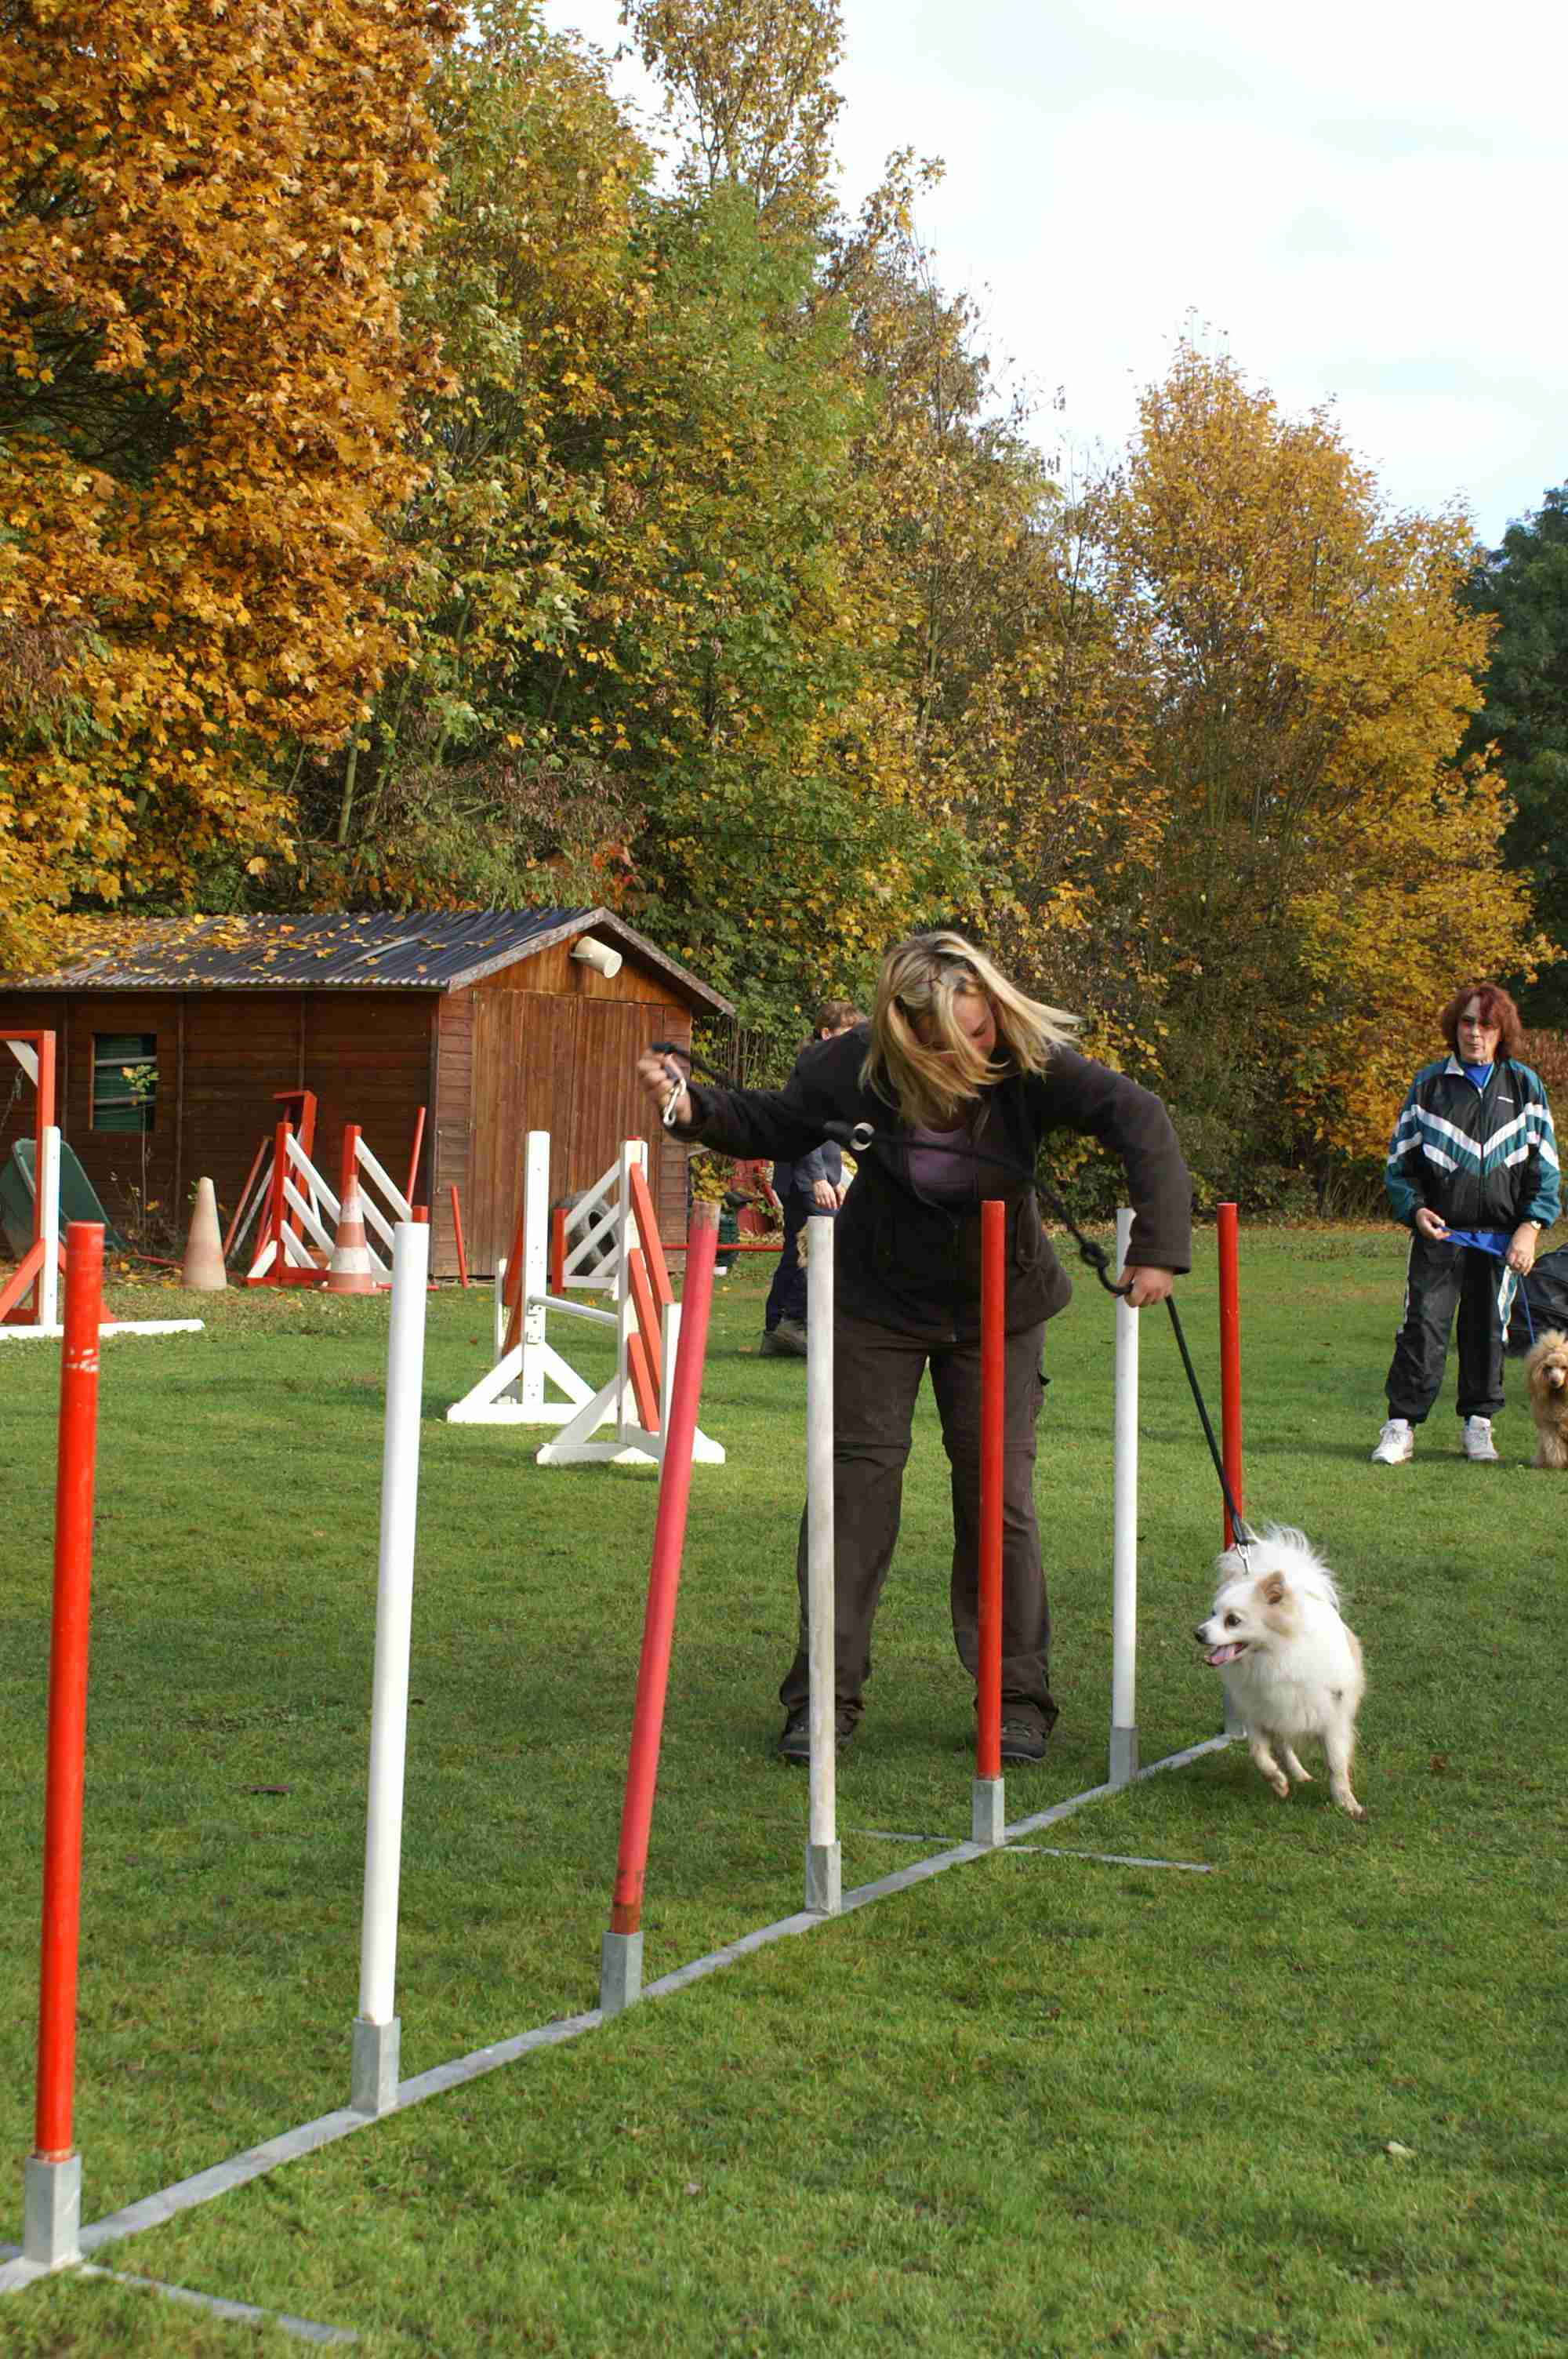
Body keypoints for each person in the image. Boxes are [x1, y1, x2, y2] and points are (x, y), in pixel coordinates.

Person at [637, 930, 1191, 1765]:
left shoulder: (1026, 1059)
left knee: (997, 1496)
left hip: (1000, 1301)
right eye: (956, 1036)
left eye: (983, 1025)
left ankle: (1016, 1699)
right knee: (850, 1495)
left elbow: (1136, 1116)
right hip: (878, 1301)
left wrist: (1158, 1245)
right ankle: (822, 1697)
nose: (979, 1045)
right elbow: (779, 1122)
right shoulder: (851, 1066)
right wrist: (691, 1107)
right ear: (906, 1032)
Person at [1373, 981, 1559, 1466]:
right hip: (1440, 1234)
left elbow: (1545, 1168)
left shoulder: (1524, 1086)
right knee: (1422, 1327)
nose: (1475, 1033)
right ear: (1454, 1027)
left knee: (1488, 1331)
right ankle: (1401, 1426)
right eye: (1468, 1022)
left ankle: (1479, 1425)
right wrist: (1415, 1209)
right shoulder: (1429, 1085)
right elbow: (1399, 1165)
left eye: (1487, 1025)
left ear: (1502, 1032)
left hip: (1500, 1240)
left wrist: (1530, 1228)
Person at [760, 999, 866, 1358]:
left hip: (813, 1176)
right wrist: (818, 1178)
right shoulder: (812, 1070)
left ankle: (776, 1329)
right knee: (819, 1248)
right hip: (803, 1177)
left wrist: (835, 1176)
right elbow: (802, 1128)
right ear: (827, 1033)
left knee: (796, 1249)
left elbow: (828, 1132)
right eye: (847, 1034)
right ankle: (795, 1323)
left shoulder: (826, 1069)